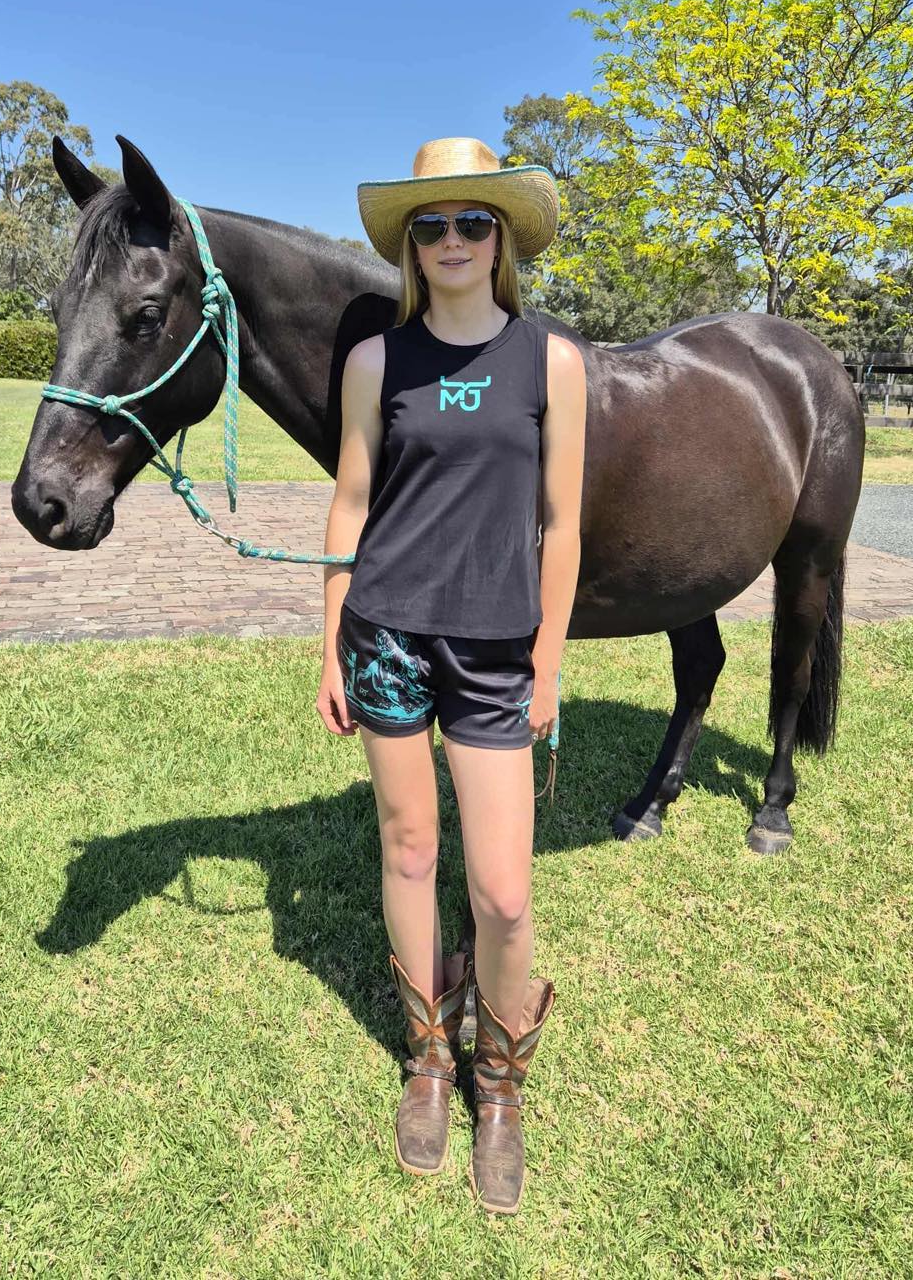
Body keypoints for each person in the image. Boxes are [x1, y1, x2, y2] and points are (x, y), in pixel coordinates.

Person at [316, 136, 586, 1216]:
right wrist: (329, 639)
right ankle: (432, 1053)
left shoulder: (550, 360)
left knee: (507, 895)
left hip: (494, 651)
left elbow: (562, 525)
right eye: (433, 225)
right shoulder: (376, 363)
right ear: (411, 245)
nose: (455, 241)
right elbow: (349, 503)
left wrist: (551, 664)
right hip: (385, 632)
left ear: (504, 237)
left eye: (476, 221)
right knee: (411, 845)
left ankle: (500, 1085)